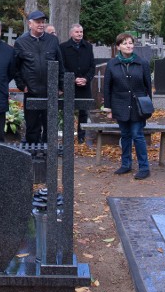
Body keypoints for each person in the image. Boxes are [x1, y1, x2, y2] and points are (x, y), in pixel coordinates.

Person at [104, 33, 152, 180]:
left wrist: (148, 106)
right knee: (125, 135)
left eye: (131, 43)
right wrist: (109, 108)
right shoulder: (112, 64)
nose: (129, 46)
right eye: (125, 43)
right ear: (118, 46)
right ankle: (126, 164)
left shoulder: (142, 63)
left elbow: (148, 87)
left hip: (138, 106)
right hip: (120, 105)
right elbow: (107, 87)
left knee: (137, 135)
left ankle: (144, 167)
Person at [14, 10, 63, 144]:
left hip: (50, 91)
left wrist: (60, 86)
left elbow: (60, 63)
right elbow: (15, 67)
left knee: (49, 125)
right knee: (32, 126)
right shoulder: (21, 42)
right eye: (38, 22)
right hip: (31, 91)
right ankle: (32, 154)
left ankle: (48, 153)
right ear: (30, 24)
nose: (41, 24)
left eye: (43, 22)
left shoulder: (52, 40)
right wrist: (21, 85)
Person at [60, 23, 95, 142]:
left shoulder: (88, 46)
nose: (80, 34)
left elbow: (92, 66)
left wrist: (86, 79)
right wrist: (73, 79)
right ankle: (68, 135)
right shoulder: (63, 47)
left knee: (83, 111)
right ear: (71, 33)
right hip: (70, 84)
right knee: (68, 110)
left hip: (84, 85)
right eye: (77, 32)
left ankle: (81, 136)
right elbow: (62, 66)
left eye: (81, 32)